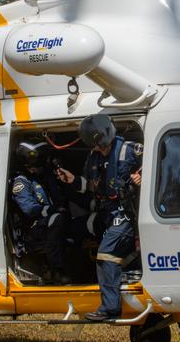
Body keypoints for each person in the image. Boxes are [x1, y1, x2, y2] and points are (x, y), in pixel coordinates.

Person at [57, 114, 142, 322]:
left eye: (101, 146)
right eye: (96, 147)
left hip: (128, 214)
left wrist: (143, 177)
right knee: (73, 229)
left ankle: (111, 307)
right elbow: (93, 185)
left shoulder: (132, 150)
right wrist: (74, 181)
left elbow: (165, 164)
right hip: (106, 213)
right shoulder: (93, 158)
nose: (99, 150)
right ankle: (69, 278)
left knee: (106, 254)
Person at [10, 141, 74, 285]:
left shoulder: (48, 177)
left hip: (54, 223)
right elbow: (29, 209)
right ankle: (56, 269)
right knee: (56, 219)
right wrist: (52, 210)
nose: (34, 170)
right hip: (33, 230)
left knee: (81, 222)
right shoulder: (21, 182)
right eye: (30, 167)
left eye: (36, 166)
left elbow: (61, 198)